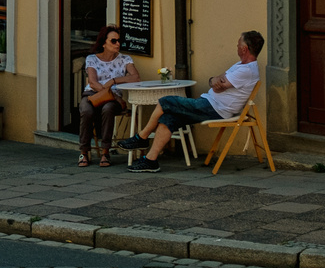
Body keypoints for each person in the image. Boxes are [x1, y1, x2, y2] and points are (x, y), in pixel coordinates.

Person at [120, 31, 264, 172]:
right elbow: (216, 81)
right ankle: (150, 160)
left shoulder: (247, 70)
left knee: (166, 101)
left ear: (244, 48)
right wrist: (214, 80)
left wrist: (216, 81)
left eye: (238, 43)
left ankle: (142, 137)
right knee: (169, 118)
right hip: (209, 104)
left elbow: (219, 84)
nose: (236, 46)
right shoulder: (240, 65)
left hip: (216, 109)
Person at [79, 25, 139, 167]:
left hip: (112, 100)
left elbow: (136, 77)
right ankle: (84, 151)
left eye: (119, 41)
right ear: (104, 42)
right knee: (86, 111)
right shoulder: (92, 59)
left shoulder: (125, 59)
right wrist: (113, 95)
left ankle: (105, 151)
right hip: (93, 94)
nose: (117, 44)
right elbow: (93, 83)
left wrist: (114, 81)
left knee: (108, 109)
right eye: (113, 41)